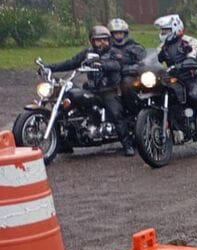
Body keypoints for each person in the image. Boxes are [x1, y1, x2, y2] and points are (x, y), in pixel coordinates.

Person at [45, 25, 134, 156]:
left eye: (105, 40)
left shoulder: (114, 52)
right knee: (67, 104)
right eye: (98, 40)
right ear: (92, 41)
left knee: (116, 114)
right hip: (92, 90)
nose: (102, 43)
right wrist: (50, 67)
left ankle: (127, 145)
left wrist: (101, 64)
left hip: (109, 90)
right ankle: (65, 142)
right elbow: (71, 63)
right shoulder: (87, 53)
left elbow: (116, 64)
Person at [154, 14, 197, 137]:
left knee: (193, 96)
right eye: (162, 30)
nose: (163, 33)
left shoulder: (189, 42)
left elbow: (193, 56)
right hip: (173, 79)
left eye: (166, 30)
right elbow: (155, 59)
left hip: (191, 77)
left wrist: (183, 64)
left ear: (175, 28)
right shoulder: (163, 46)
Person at [108, 17, 148, 115]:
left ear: (125, 33)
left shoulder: (133, 46)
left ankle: (135, 109)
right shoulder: (108, 48)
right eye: (116, 33)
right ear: (111, 35)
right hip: (112, 76)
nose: (118, 35)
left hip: (130, 75)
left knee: (127, 85)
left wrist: (136, 65)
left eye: (120, 33)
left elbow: (145, 58)